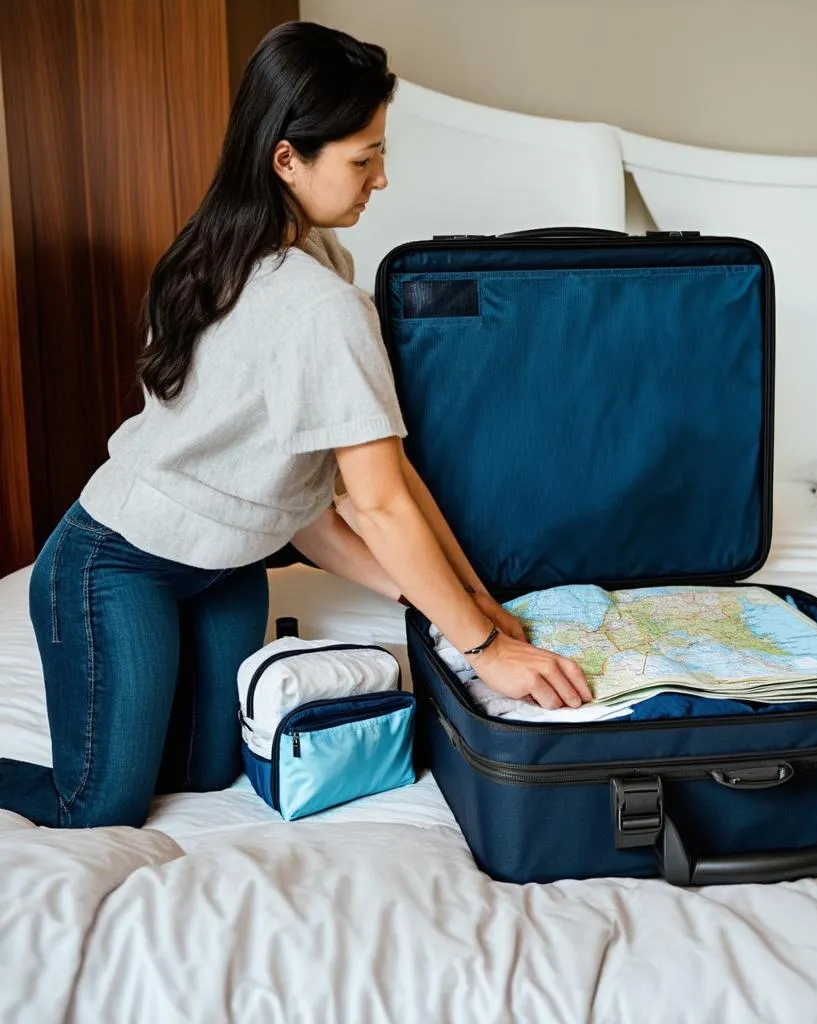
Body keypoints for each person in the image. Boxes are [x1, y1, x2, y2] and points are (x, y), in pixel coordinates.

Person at [0, 21, 590, 830]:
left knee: (210, 776)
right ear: (287, 158)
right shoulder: (316, 306)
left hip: (228, 566)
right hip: (118, 562)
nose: (381, 178)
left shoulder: (308, 260)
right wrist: (485, 654)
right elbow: (375, 507)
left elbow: (339, 495)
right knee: (100, 806)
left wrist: (472, 603)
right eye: (363, 157)